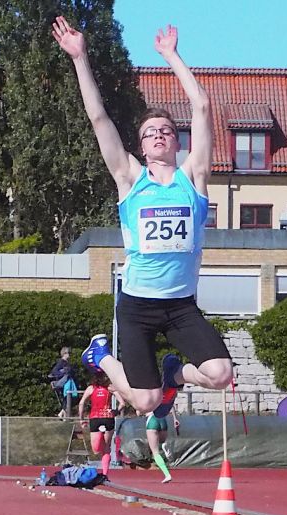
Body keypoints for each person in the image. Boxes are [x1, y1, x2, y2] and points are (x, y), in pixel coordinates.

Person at [52, 17, 233, 418]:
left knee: (221, 374)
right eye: (150, 131)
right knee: (146, 402)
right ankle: (101, 356)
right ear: (141, 145)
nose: (158, 134)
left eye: (166, 130)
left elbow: (202, 106)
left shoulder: (194, 177)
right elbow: (99, 119)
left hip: (181, 305)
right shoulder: (130, 178)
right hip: (136, 306)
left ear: (177, 141)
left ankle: (176, 373)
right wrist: (81, 59)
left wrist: (171, 56)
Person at [78, 374, 125, 479]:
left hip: (100, 418)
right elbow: (122, 403)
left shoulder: (95, 388)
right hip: (102, 418)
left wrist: (81, 419)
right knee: (102, 448)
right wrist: (116, 411)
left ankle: (104, 473)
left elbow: (82, 403)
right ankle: (104, 474)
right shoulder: (105, 388)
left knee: (99, 448)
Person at [145, 407, 180, 484]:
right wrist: (175, 419)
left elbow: (139, 411)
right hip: (163, 420)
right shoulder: (162, 395)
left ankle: (167, 475)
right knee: (161, 441)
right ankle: (164, 446)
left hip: (152, 420)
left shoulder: (146, 395)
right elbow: (171, 405)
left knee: (155, 452)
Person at [48, 346, 77, 418]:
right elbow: (54, 371)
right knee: (66, 399)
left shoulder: (67, 363)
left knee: (68, 399)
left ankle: (62, 415)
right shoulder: (61, 362)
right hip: (64, 383)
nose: (69, 355)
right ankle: (63, 415)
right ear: (64, 353)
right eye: (68, 353)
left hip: (68, 383)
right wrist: (63, 374)